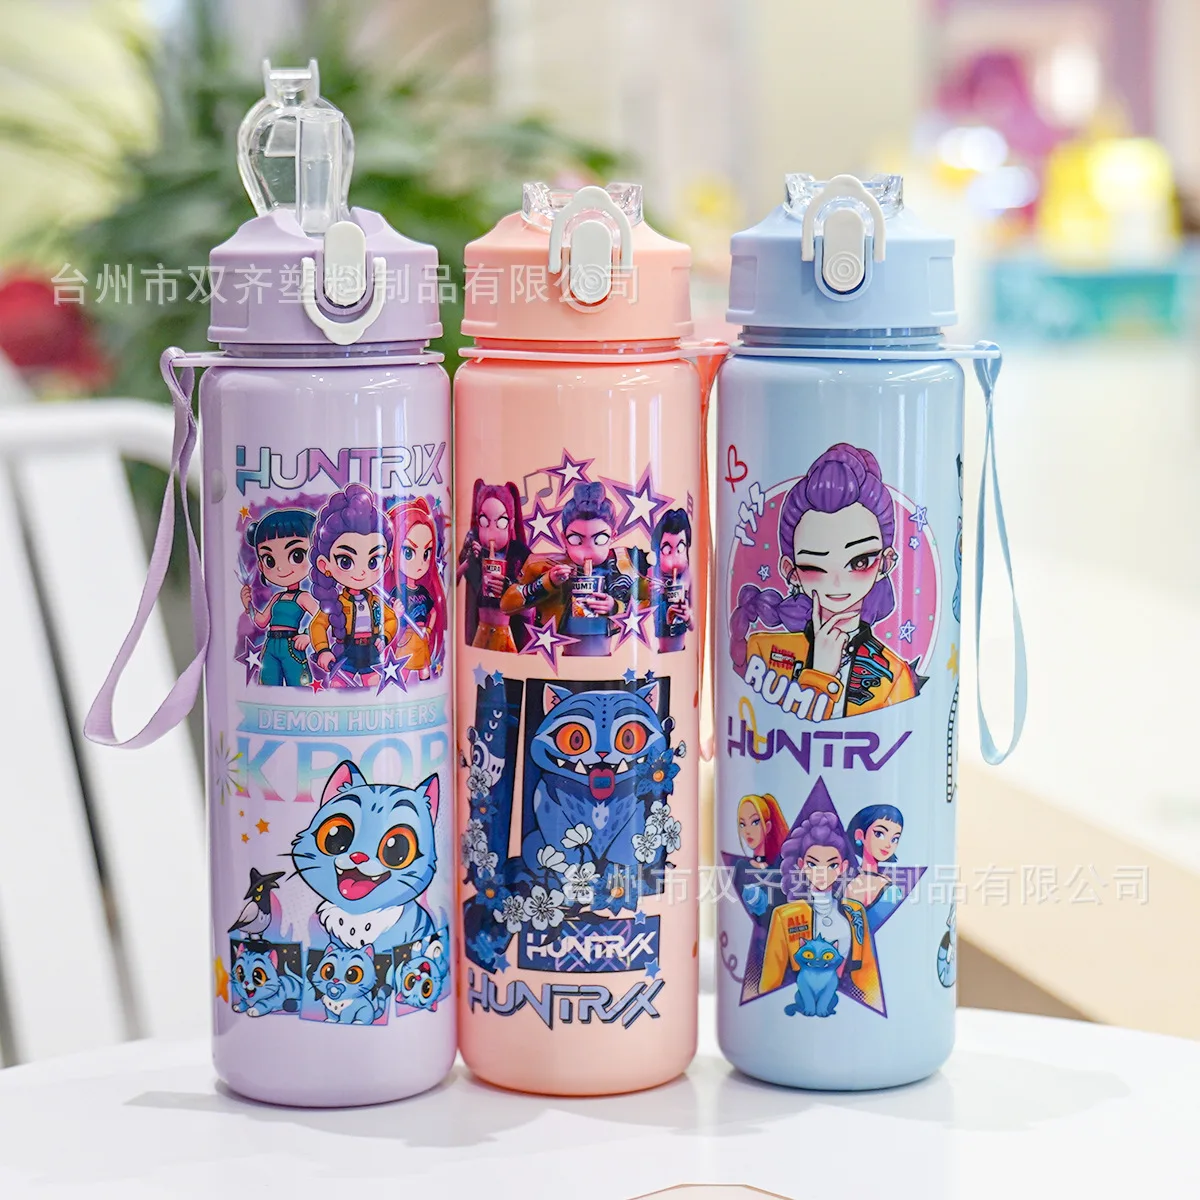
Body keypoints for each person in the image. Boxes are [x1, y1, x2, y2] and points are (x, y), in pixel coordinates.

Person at [730, 443, 918, 720]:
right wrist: (820, 672)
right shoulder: (763, 651)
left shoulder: (895, 676)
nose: (837, 582)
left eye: (859, 562)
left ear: (886, 563)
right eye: (815, 566)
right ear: (791, 571)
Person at [758, 810, 879, 1007]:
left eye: (831, 865)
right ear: (801, 865)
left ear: (842, 867)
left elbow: (868, 975)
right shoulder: (785, 916)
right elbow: (770, 981)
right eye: (813, 864)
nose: (822, 872)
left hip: (854, 1009)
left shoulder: (855, 912)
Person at [502, 481, 636, 656]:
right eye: (576, 540)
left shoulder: (623, 566)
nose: (588, 550)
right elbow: (507, 604)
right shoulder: (543, 566)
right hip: (564, 659)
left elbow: (648, 602)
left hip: (606, 662)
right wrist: (546, 583)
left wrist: (615, 607)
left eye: (600, 539)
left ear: (613, 536)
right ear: (564, 538)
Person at [309, 483, 397, 686]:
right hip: (346, 650)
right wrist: (323, 649)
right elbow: (318, 625)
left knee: (373, 684)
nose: (362, 572)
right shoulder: (336, 603)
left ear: (386, 564)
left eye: (373, 561)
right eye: (346, 561)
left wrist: (385, 636)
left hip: (370, 651)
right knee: (338, 684)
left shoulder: (374, 601)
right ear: (324, 565)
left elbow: (391, 619)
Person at [240, 507, 318, 686]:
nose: (281, 568)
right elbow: (261, 621)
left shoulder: (303, 598)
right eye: (270, 560)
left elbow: (322, 618)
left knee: (299, 686)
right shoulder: (277, 598)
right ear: (261, 565)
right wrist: (248, 605)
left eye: (297, 555)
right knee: (268, 685)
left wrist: (308, 636)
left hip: (292, 646)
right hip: (271, 645)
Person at [457, 480, 530, 652]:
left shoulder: (519, 552)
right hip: (481, 630)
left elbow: (535, 593)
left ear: (510, 523)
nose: (491, 531)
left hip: (506, 632)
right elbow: (452, 582)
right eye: (484, 521)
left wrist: (510, 589)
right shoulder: (476, 550)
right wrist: (468, 561)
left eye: (501, 522)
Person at [390, 497, 447, 681]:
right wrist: (396, 614)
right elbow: (388, 616)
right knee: (402, 670)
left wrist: (428, 630)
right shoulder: (398, 591)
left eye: (426, 553)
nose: (420, 564)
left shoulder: (423, 591)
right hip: (406, 635)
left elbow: (433, 612)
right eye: (408, 552)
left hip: (422, 635)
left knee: (424, 670)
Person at [648, 508, 693, 653]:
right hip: (657, 652)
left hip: (682, 651)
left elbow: (695, 624)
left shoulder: (688, 577)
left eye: (680, 548)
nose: (675, 558)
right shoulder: (651, 575)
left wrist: (688, 617)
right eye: (667, 550)